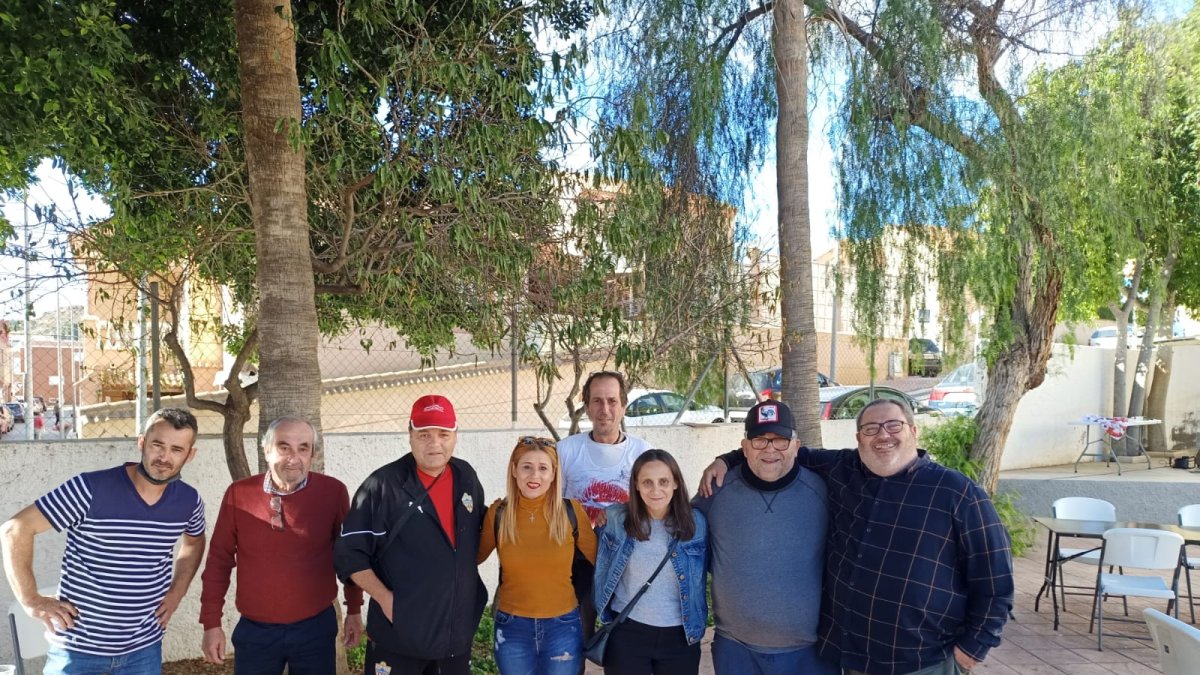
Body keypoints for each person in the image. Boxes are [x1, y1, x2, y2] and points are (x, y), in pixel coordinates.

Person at [700, 397, 1014, 675]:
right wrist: (726, 460)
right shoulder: (843, 471)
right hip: (856, 660)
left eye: (894, 425)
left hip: (926, 661)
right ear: (858, 438)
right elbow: (772, 452)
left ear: (914, 431)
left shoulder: (956, 492)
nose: (883, 435)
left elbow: (996, 581)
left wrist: (971, 651)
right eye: (871, 429)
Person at [0, 407, 207, 674]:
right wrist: (31, 600)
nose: (164, 457)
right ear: (142, 442)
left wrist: (177, 591)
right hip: (77, 652)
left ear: (190, 455)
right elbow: (15, 529)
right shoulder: (90, 489)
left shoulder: (189, 501)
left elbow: (194, 542)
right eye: (158, 445)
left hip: (144, 650)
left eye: (177, 449)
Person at [334, 394, 487, 675]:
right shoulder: (382, 486)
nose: (434, 443)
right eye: (424, 434)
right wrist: (385, 599)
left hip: (455, 640)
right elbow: (349, 554)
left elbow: (476, 536)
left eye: (443, 434)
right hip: (399, 639)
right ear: (410, 434)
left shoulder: (466, 476)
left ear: (455, 435)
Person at [199, 416, 364, 673]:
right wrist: (211, 623)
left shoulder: (333, 492)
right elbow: (218, 561)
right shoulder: (238, 494)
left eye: (303, 448)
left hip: (315, 628)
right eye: (283, 447)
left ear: (312, 454)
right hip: (255, 631)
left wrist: (354, 609)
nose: (293, 457)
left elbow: (349, 556)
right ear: (266, 451)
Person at [691, 400, 833, 674]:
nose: (770, 449)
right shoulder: (716, 490)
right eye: (759, 440)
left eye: (780, 440)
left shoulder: (824, 491)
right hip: (737, 650)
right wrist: (614, 516)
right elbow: (673, 525)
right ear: (744, 448)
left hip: (810, 652)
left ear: (796, 446)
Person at [477, 437, 598, 674]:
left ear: (554, 474)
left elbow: (603, 564)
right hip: (512, 628)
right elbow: (472, 558)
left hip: (563, 627)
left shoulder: (571, 512)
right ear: (514, 470)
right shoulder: (499, 514)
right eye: (526, 467)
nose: (535, 476)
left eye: (543, 468)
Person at [594, 449, 708, 675]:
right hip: (628, 633)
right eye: (647, 482)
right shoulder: (617, 519)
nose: (656, 490)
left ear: (676, 483)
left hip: (681, 634)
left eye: (663, 481)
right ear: (636, 485)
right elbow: (599, 564)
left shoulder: (697, 523)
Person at [557, 370, 651, 636]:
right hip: (579, 563)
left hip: (627, 562)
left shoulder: (643, 453)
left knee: (625, 642)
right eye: (597, 401)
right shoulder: (565, 451)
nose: (604, 409)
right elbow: (555, 510)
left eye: (612, 400)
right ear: (586, 406)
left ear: (623, 406)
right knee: (577, 641)